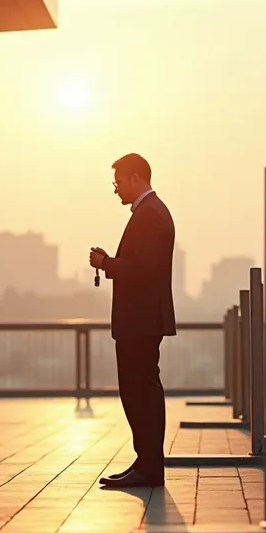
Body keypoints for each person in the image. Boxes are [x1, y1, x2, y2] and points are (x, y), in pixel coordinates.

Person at [89, 152, 176, 488]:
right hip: (140, 320)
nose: (116, 190)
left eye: (119, 182)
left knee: (141, 392)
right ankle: (145, 462)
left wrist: (106, 264)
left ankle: (149, 467)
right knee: (138, 391)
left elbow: (144, 269)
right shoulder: (150, 211)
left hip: (140, 321)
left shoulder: (150, 214)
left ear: (136, 178)